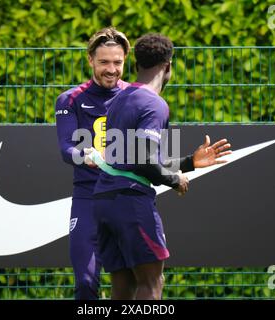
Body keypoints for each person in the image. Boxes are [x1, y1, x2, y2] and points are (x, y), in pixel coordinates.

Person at [92, 33, 232, 300]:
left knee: (123, 287)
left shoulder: (120, 98)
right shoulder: (154, 104)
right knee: (151, 283)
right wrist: (174, 180)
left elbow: (130, 159)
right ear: (168, 66)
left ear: (136, 65)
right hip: (130, 202)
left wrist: (190, 163)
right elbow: (144, 161)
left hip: (105, 200)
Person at [55, 27, 130, 300]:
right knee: (86, 282)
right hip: (88, 198)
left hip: (128, 198)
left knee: (134, 284)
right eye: (104, 62)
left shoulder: (136, 98)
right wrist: (86, 156)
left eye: (118, 62)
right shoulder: (70, 99)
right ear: (90, 60)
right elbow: (65, 149)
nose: (111, 69)